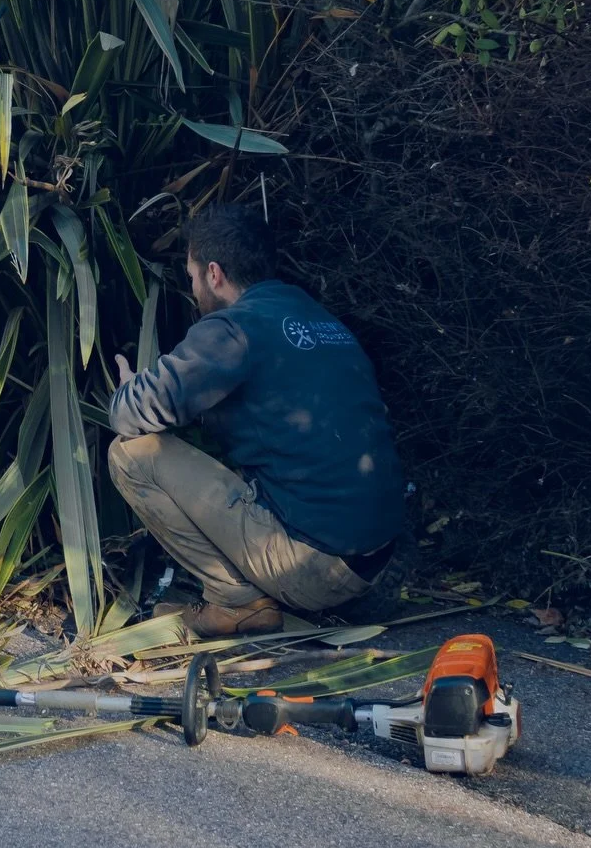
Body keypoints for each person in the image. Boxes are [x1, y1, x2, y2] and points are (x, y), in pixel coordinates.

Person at [107, 203, 404, 638]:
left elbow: (129, 414)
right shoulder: (313, 316)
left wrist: (130, 386)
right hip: (376, 558)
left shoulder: (233, 330)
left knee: (130, 454)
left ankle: (236, 604)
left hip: (314, 566)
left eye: (191, 277)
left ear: (214, 273)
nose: (192, 290)